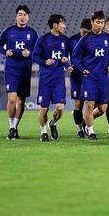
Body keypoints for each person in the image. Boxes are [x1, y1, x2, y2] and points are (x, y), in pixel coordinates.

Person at [0, 5, 38, 140]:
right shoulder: (8, 31)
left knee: (21, 101)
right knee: (12, 99)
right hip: (11, 70)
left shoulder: (32, 33)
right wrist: (5, 52)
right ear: (16, 16)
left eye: (25, 14)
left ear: (28, 17)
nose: (22, 17)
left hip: (25, 70)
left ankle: (15, 126)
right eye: (20, 14)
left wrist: (30, 53)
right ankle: (11, 128)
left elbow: (38, 52)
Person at [71, 10, 109, 140]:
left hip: (103, 77)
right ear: (92, 22)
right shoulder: (85, 39)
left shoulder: (108, 38)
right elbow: (75, 56)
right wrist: (82, 68)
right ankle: (90, 130)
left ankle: (86, 121)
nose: (100, 25)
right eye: (97, 22)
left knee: (102, 108)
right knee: (89, 104)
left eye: (102, 22)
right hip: (89, 77)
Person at [32, 14, 71, 142]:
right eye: (62, 23)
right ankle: (43, 132)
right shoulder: (43, 39)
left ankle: (53, 123)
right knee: (43, 109)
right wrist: (44, 62)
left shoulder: (65, 40)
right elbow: (34, 56)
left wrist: (67, 63)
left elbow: (64, 58)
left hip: (59, 80)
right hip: (45, 80)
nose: (64, 26)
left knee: (60, 108)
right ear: (55, 25)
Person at [69, 18, 92, 138]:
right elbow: (63, 54)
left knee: (91, 103)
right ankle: (79, 129)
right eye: (84, 32)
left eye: (89, 32)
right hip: (77, 76)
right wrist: (67, 65)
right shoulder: (72, 40)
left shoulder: (93, 39)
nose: (86, 35)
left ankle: (86, 123)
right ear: (80, 29)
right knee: (78, 104)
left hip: (89, 76)